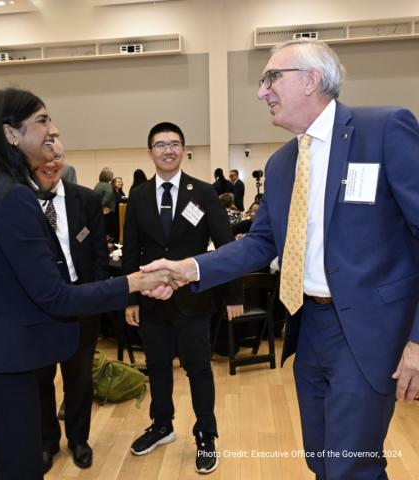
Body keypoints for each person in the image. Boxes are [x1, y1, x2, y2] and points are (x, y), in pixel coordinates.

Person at [142, 39, 419, 480]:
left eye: (271, 78)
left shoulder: (384, 130)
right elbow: (260, 242)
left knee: (351, 466)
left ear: (311, 80)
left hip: (370, 330)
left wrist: (417, 340)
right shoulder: (282, 163)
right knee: (321, 461)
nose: (261, 92)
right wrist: (188, 269)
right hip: (309, 327)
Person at [0, 88, 171, 480]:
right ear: (11, 133)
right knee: (21, 467)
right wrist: (132, 282)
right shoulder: (9, 196)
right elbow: (55, 296)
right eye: (43, 120)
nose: (54, 129)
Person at [123, 122, 243, 475]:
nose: (168, 150)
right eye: (160, 145)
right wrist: (129, 299)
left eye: (175, 144)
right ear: (150, 152)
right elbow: (131, 251)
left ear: (183, 150)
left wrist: (235, 293)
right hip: (151, 301)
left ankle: (206, 434)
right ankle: (162, 425)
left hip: (193, 301)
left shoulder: (204, 194)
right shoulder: (139, 196)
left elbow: (226, 247)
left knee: (199, 370)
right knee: (158, 368)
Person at [33, 139, 108, 473]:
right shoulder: (18, 202)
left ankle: (79, 439)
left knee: (78, 379)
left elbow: (98, 255)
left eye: (57, 157)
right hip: (35, 309)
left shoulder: (87, 199)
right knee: (40, 380)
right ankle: (47, 441)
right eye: (44, 158)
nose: (51, 163)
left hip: (81, 304)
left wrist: (98, 298)